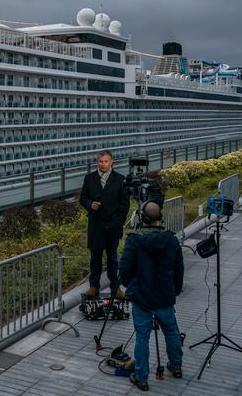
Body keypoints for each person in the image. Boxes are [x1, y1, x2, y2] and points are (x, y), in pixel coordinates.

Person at [119, 201, 184, 392]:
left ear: (142, 218)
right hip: (164, 296)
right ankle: (176, 365)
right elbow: (179, 269)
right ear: (159, 218)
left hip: (141, 297)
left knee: (142, 337)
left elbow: (125, 269)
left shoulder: (134, 239)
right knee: (171, 331)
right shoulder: (171, 240)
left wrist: (128, 284)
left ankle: (141, 377)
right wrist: (175, 291)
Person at [79, 150, 130, 299]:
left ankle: (115, 286)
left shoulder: (120, 179)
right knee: (95, 258)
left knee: (113, 258)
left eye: (106, 161)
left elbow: (124, 205)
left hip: (113, 226)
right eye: (100, 161)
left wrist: (118, 222)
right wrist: (90, 205)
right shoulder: (89, 178)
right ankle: (94, 286)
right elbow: (82, 198)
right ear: (97, 162)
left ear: (111, 162)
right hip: (96, 225)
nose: (103, 164)